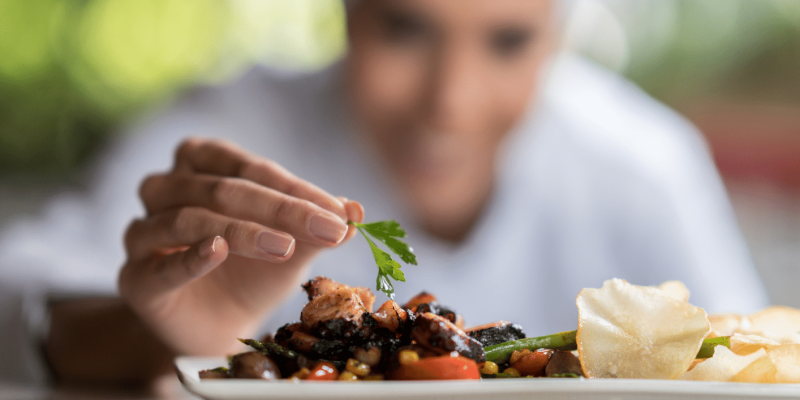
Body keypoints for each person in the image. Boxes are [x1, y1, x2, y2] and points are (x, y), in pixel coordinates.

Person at [0, 0, 769, 387]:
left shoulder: (644, 163)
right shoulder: (231, 129)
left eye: (508, 40)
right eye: (405, 28)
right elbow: (23, 305)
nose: (451, 103)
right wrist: (161, 336)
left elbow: (742, 362)